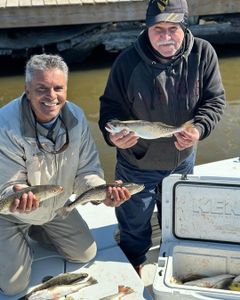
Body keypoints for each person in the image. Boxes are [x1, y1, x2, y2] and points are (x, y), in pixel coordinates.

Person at [98, 0, 226, 275]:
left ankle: (173, 258)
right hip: (136, 163)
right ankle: (134, 260)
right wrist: (113, 136)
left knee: (178, 217)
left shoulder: (203, 54)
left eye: (173, 28)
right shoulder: (126, 62)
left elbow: (214, 101)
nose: (166, 36)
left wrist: (198, 129)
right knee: (134, 222)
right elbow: (109, 110)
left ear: (184, 26)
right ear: (147, 28)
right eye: (159, 29)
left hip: (182, 160)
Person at [0, 54, 131, 296]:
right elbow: (7, 186)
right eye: (41, 88)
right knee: (13, 287)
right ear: (27, 90)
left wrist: (102, 193)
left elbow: (87, 170)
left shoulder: (77, 117)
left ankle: (38, 229)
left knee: (85, 254)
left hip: (56, 205)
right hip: (11, 214)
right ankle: (15, 238)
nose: (51, 96)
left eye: (58, 88)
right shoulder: (5, 125)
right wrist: (14, 195)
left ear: (66, 89)